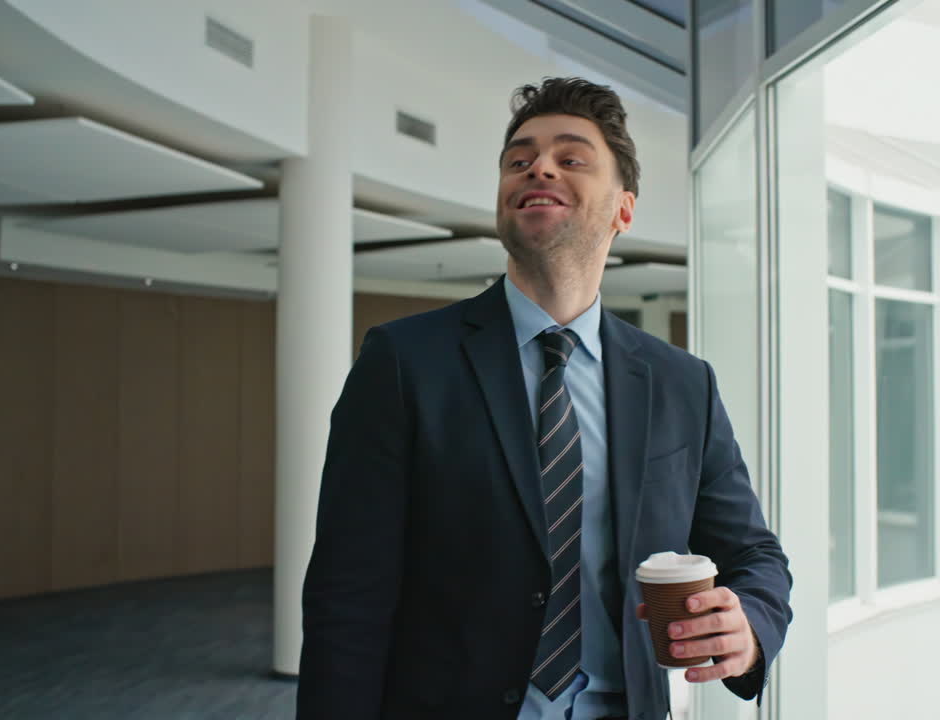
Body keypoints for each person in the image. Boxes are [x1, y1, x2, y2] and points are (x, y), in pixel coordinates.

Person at [297, 77, 792, 720]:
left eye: (572, 157)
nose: (540, 168)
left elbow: (753, 554)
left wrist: (748, 625)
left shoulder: (681, 383)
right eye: (519, 160)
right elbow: (347, 595)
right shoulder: (402, 362)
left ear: (623, 208)